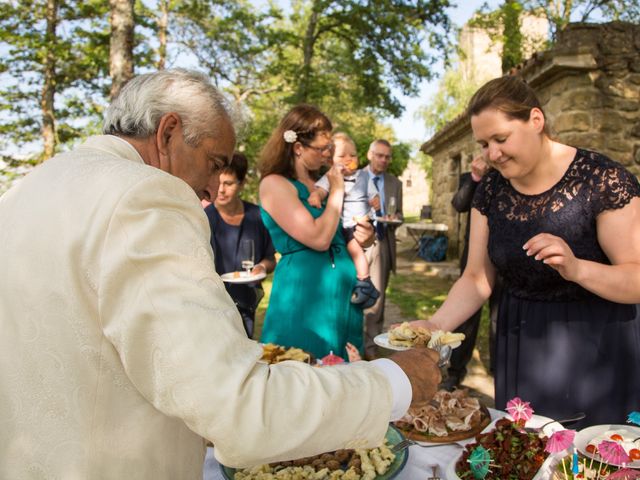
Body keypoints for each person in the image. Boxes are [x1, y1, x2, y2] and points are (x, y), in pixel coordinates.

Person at [0, 69, 443, 478]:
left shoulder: (25, 190)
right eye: (214, 163)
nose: (214, 188)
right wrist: (393, 382)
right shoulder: (145, 197)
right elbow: (238, 404)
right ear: (168, 132)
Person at [416, 75, 640, 428]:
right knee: (527, 453)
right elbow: (476, 278)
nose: (492, 154)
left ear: (536, 120)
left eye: (501, 139)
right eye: (484, 144)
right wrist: (434, 325)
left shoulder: (601, 179)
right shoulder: (490, 189)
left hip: (598, 347)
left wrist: (578, 268)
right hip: (521, 343)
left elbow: (636, 277)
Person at [259, 106, 373, 359]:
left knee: (344, 379)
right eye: (321, 149)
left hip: (343, 293)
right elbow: (319, 238)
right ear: (298, 147)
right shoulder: (275, 184)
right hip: (305, 297)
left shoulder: (322, 184)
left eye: (329, 148)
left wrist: (366, 235)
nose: (327, 154)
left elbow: (341, 230)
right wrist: (337, 191)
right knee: (302, 376)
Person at [205, 152, 276, 338]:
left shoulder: (257, 216)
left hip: (247, 302)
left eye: (228, 184)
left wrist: (262, 266)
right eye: (218, 182)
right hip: (213, 305)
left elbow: (270, 259)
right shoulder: (204, 218)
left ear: (241, 184)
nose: (221, 190)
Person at [308, 132, 380, 309]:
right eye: (342, 156)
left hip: (361, 220)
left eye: (353, 155)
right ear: (331, 160)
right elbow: (321, 190)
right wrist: (316, 196)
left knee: (355, 248)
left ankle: (364, 281)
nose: (348, 159)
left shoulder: (364, 177)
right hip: (344, 224)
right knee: (354, 249)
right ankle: (364, 281)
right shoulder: (330, 177)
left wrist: (376, 200)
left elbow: (373, 194)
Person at [441, 156, 490, 391]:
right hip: (474, 255)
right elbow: (459, 205)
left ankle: (498, 369)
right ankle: (455, 371)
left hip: (506, 254)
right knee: (467, 317)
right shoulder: (469, 177)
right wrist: (475, 178)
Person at [363, 139, 403, 360]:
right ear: (370, 155)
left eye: (387, 156)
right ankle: (348, 344)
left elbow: (401, 215)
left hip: (383, 242)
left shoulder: (394, 183)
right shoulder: (355, 178)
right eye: (380, 155)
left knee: (376, 300)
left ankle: (370, 347)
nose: (384, 160)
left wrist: (395, 217)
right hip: (355, 244)